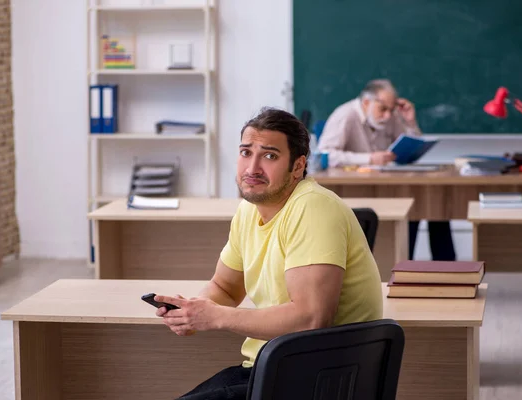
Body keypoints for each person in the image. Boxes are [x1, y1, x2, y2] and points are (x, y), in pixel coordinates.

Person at [154, 107, 383, 400]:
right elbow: (225, 286)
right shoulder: (248, 210)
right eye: (246, 152)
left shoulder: (312, 207)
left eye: (270, 156)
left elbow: (311, 319)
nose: (252, 168)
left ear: (298, 166)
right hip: (270, 366)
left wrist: (217, 317)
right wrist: (192, 311)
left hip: (319, 378)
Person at [317, 79, 456, 261]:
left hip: (387, 184)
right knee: (411, 210)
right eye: (383, 109)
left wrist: (410, 122)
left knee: (429, 206)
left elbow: (410, 149)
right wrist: (368, 159)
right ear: (366, 102)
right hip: (356, 189)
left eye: (391, 110)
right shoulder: (345, 115)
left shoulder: (390, 116)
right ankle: (402, 266)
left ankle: (435, 271)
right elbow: (325, 155)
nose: (388, 116)